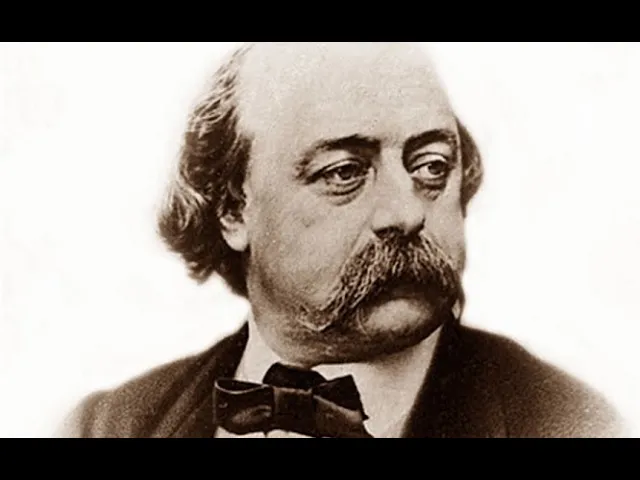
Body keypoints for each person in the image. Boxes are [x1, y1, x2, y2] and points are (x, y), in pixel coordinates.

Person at [57, 42, 624, 438]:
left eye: (431, 166)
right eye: (344, 172)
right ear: (232, 208)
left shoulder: (574, 423)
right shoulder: (107, 427)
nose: (406, 213)